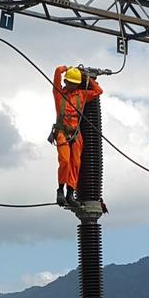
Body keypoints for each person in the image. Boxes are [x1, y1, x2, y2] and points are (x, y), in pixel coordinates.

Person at [49, 65, 103, 208]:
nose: (70, 85)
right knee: (65, 161)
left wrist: (88, 79)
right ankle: (60, 189)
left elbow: (98, 91)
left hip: (76, 134)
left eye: (73, 82)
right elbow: (57, 73)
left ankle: (70, 193)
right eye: (69, 82)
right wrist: (65, 68)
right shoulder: (59, 93)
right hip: (62, 132)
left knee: (75, 164)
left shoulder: (81, 95)